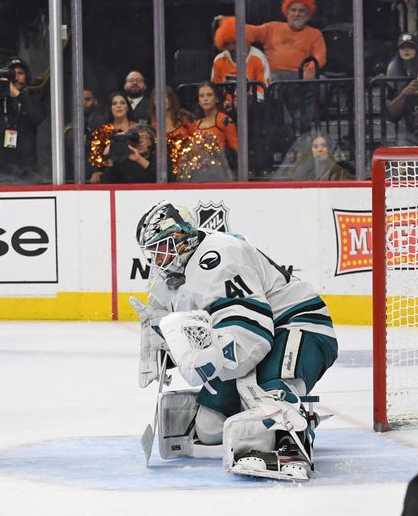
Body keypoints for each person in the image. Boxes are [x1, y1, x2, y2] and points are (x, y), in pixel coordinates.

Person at [131, 201, 338, 481]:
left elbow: (254, 337)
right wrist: (163, 339)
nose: (157, 261)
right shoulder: (172, 273)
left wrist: (203, 362)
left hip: (298, 326)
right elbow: (175, 319)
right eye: (152, 253)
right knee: (209, 428)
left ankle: (291, 436)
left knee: (269, 395)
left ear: (182, 238)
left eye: (162, 249)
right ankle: (274, 413)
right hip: (251, 337)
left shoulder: (220, 256)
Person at [219, 0, 326, 131]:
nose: (297, 14)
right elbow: (250, 31)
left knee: (322, 83)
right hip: (276, 76)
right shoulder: (272, 28)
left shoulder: (315, 34)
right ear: (286, 12)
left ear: (308, 15)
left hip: (301, 76)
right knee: (272, 81)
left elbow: (320, 56)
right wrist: (230, 23)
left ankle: (302, 126)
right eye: (293, 10)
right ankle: (289, 127)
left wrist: (311, 70)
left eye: (301, 11)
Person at [0, 56, 45, 184]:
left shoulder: (33, 98)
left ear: (27, 76)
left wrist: (17, 94)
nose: (16, 77)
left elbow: (37, 117)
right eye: (12, 74)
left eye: (20, 73)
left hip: (27, 170)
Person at [176, 81, 235, 182]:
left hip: (219, 171)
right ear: (198, 101)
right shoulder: (197, 123)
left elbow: (235, 147)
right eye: (202, 96)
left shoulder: (224, 120)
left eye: (209, 95)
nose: (205, 99)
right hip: (198, 173)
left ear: (216, 99)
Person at [211, 16, 270, 106]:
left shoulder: (258, 57)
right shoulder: (219, 60)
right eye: (227, 43)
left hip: (253, 107)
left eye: (235, 43)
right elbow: (214, 90)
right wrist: (223, 103)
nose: (231, 48)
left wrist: (243, 104)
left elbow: (263, 91)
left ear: (244, 40)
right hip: (225, 108)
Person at [87, 92, 134, 183]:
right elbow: (96, 156)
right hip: (110, 175)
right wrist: (97, 171)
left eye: (122, 103)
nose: (118, 106)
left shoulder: (137, 128)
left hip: (135, 174)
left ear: (128, 107)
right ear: (110, 109)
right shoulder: (102, 131)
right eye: (114, 104)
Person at [149, 86, 191, 181]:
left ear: (171, 100)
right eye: (156, 99)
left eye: (164, 97)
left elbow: (196, 139)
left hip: (188, 167)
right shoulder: (152, 125)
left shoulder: (184, 117)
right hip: (164, 171)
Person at [277, 129, 354, 181]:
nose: (320, 149)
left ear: (329, 149)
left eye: (324, 145)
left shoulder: (339, 171)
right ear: (311, 151)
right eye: (315, 146)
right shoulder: (303, 171)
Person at [387, 33, 418, 146]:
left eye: (410, 47)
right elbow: (392, 114)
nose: (406, 49)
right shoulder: (393, 70)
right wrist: (404, 94)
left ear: (416, 49)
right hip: (407, 125)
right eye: (403, 47)